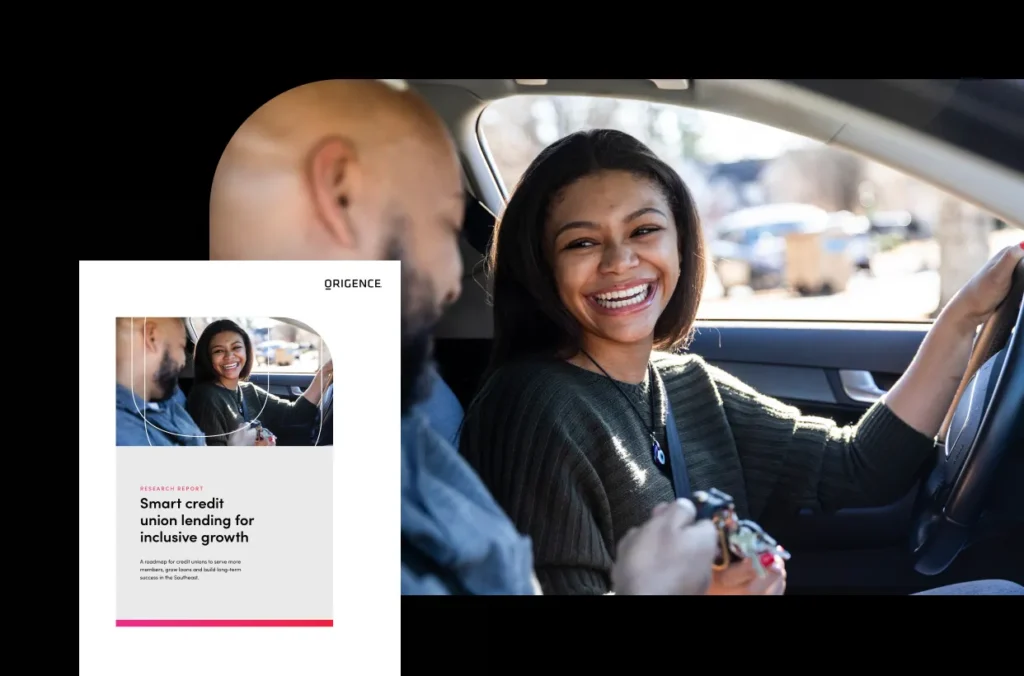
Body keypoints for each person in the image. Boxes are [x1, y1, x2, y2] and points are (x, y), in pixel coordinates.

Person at [459, 128, 1024, 596]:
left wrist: (964, 316)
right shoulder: (534, 409)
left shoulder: (685, 385)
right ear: (543, 268)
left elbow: (857, 467)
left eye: (645, 230)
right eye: (582, 243)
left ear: (681, 245)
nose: (620, 260)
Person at [209, 79, 721, 594]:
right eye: (445, 224)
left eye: (644, 231)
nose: (456, 282)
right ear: (339, 193)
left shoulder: (408, 436)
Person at [186, 319, 332, 446]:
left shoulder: (248, 390)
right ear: (207, 357)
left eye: (236, 347)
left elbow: (294, 415)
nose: (229, 356)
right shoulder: (206, 398)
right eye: (218, 351)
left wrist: (324, 373)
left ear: (246, 351)